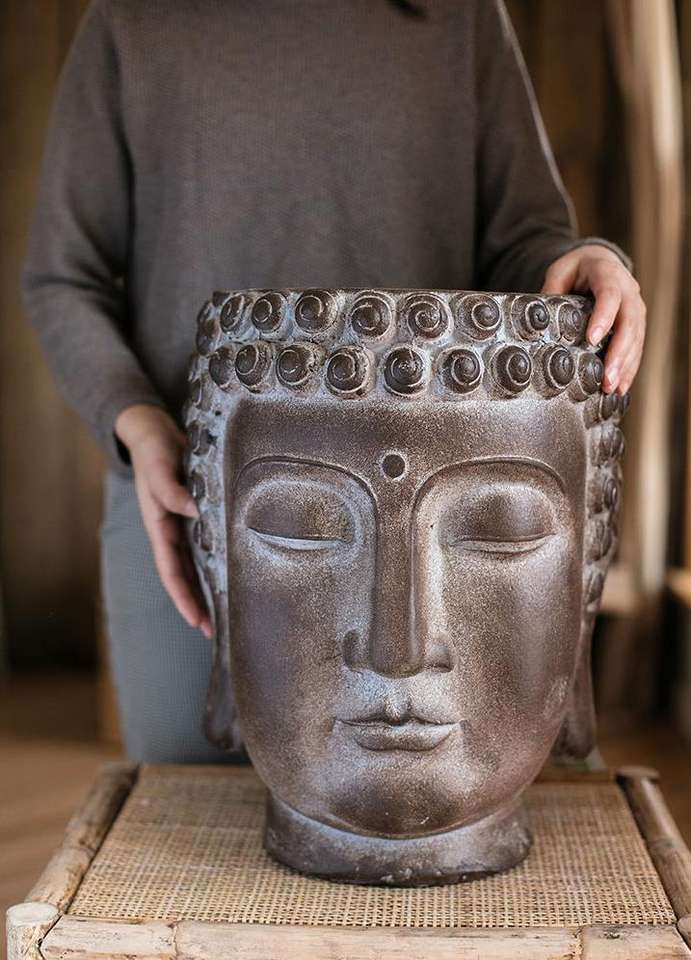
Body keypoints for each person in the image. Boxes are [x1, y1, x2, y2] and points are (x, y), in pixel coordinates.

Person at [22, 0, 646, 763]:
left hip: (436, 509)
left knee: (467, 807)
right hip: (194, 492)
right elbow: (62, 278)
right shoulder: (133, 19)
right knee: (187, 794)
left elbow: (525, 242)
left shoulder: (457, 17)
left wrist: (586, 262)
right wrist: (136, 421)